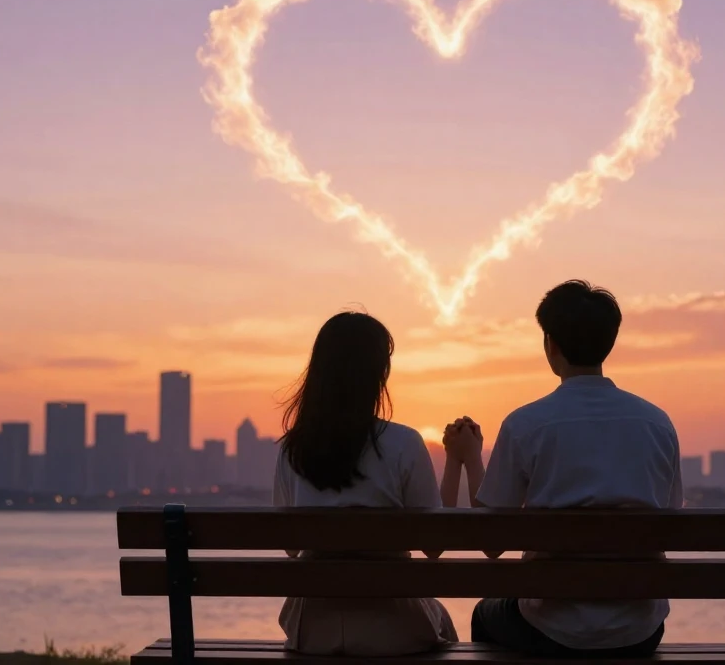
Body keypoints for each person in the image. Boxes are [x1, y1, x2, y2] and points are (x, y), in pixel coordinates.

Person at [445, 280, 684, 657]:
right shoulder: (657, 424)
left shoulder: (526, 424)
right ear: (610, 342)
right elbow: (669, 519)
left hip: (552, 626)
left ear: (550, 344)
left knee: (485, 614)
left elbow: (492, 543)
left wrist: (471, 458)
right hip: (638, 629)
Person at [273, 311, 458, 656]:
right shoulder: (404, 443)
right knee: (442, 622)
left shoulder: (292, 449)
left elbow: (291, 548)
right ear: (378, 374)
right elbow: (434, 546)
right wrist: (457, 461)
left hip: (314, 630)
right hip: (393, 627)